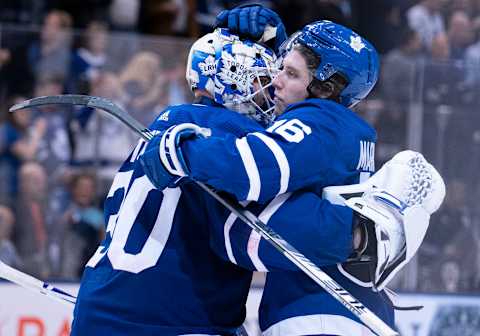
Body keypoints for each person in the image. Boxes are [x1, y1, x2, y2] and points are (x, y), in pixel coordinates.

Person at [69, 27, 438, 336]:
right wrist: (357, 236)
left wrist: (359, 235)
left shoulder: (178, 129)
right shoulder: (240, 130)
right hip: (181, 320)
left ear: (326, 88)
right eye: (268, 75)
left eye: (286, 74)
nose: (273, 85)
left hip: (99, 308)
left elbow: (252, 199)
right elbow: (244, 235)